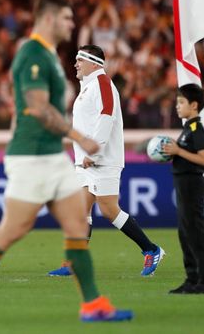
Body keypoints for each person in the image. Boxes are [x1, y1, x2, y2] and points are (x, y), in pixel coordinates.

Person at [0, 0, 133, 323]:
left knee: (78, 223)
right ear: (48, 19)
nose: (71, 25)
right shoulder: (33, 52)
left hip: (50, 155)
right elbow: (37, 105)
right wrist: (80, 138)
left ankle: (92, 304)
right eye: (66, 18)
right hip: (33, 156)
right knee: (11, 232)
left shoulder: (46, 54)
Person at [48, 44, 164, 277]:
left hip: (102, 160)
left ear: (93, 63)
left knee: (110, 210)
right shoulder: (88, 87)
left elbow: (106, 117)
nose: (75, 64)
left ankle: (151, 249)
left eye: (80, 60)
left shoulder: (101, 84)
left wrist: (94, 153)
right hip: (86, 161)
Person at [163, 84, 204, 294]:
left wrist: (178, 151)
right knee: (185, 232)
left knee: (195, 232)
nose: (177, 106)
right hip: (184, 184)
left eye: (181, 102)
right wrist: (172, 153)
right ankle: (192, 279)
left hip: (192, 184)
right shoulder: (187, 128)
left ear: (194, 105)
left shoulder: (197, 129)